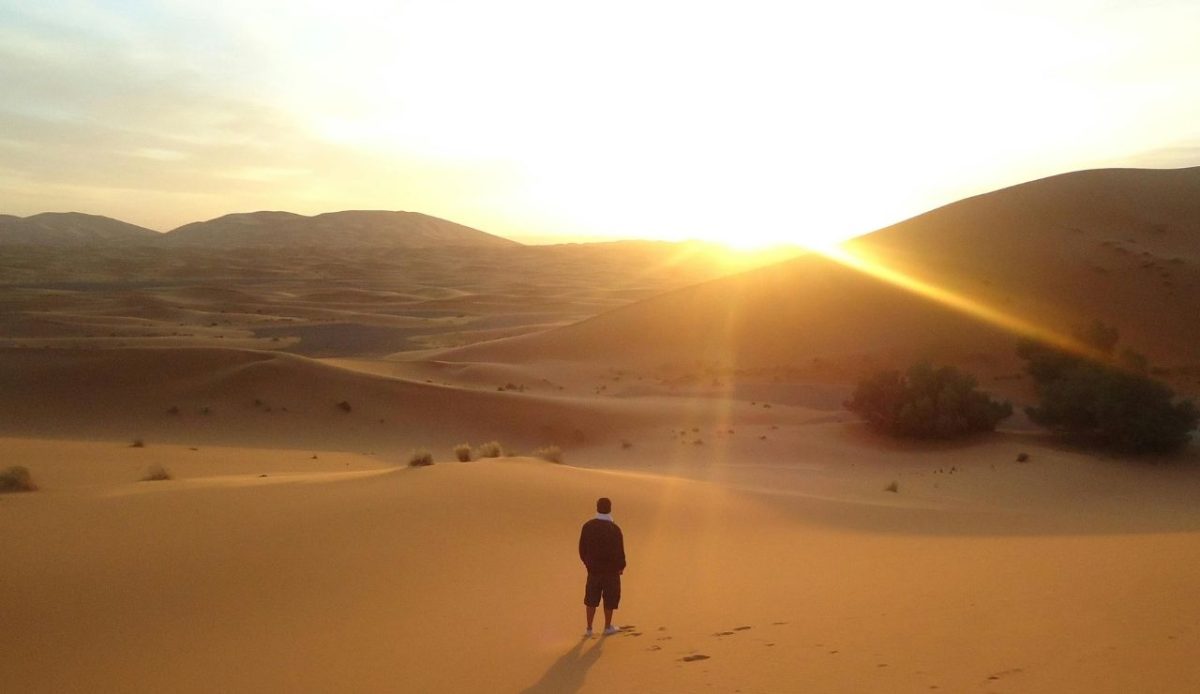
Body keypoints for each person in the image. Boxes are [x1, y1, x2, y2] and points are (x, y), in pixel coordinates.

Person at [578, 496, 626, 638]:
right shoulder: (615, 529)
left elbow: (582, 549)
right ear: (610, 509)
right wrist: (621, 566)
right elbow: (620, 551)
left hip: (593, 570)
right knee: (610, 599)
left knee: (591, 598)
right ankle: (607, 627)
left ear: (597, 508)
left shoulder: (588, 526)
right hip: (611, 571)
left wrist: (588, 563)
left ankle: (589, 628)